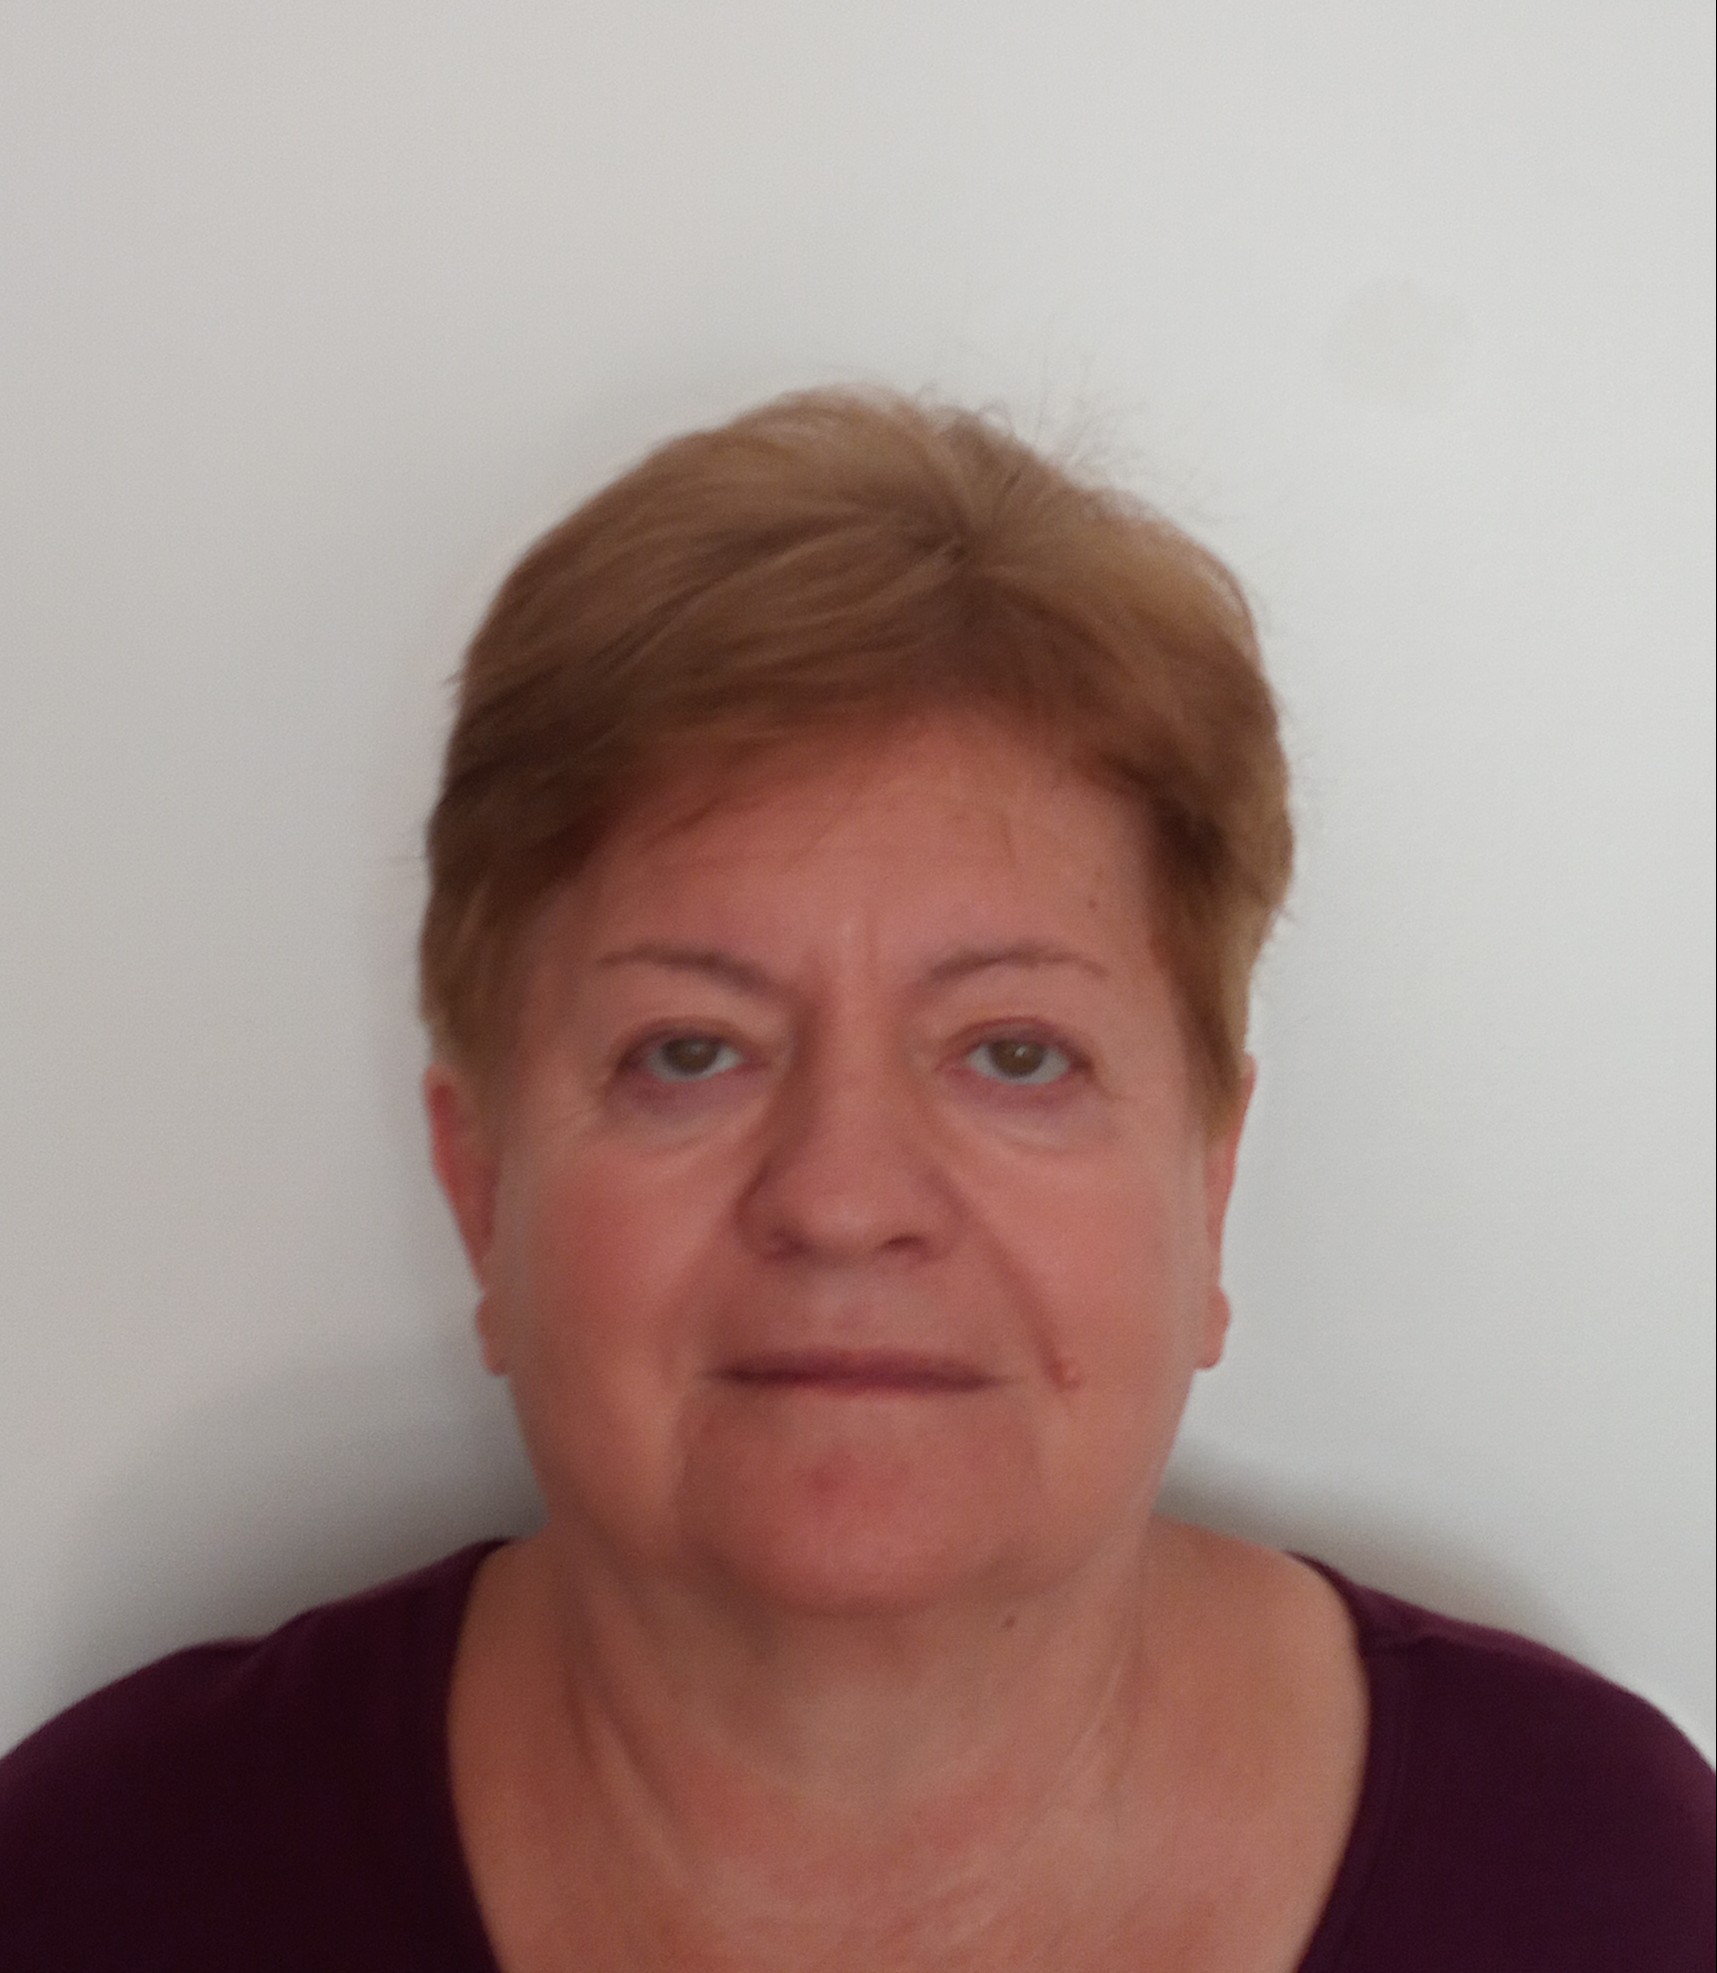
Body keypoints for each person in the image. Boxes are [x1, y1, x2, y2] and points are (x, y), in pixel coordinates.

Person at [0, 388, 1709, 1972]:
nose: (839, 1197)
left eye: (1014, 1053)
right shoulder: (103, 1882)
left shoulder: (1603, 1882)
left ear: (1207, 1187)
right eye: (689, 1049)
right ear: (479, 1185)